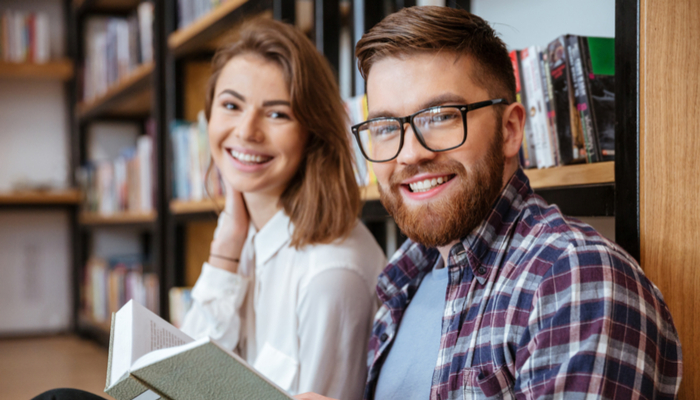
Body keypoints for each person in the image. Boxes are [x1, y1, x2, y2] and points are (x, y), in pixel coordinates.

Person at [297, 6, 681, 400]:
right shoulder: (404, 281)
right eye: (385, 127)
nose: (409, 154)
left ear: (510, 130)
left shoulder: (575, 279)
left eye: (440, 116)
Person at [33, 18, 386, 400]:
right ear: (208, 117)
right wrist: (224, 255)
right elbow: (185, 375)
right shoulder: (247, 231)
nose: (247, 131)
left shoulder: (332, 275)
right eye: (231, 105)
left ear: (312, 130)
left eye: (277, 113)